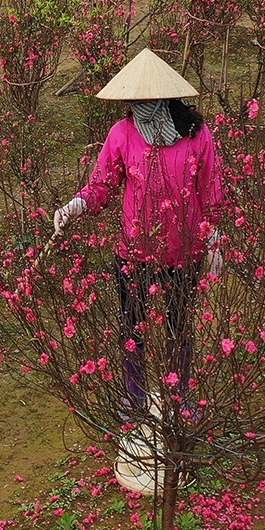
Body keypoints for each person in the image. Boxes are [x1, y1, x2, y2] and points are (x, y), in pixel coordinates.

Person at [52, 49, 224, 490]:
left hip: (183, 254)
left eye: (141, 103)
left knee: (179, 330)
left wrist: (216, 238)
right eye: (131, 105)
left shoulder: (196, 134)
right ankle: (133, 405)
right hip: (134, 255)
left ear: (164, 99)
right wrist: (77, 205)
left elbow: (210, 190)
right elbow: (103, 185)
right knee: (132, 332)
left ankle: (181, 400)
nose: (136, 110)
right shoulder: (122, 134)